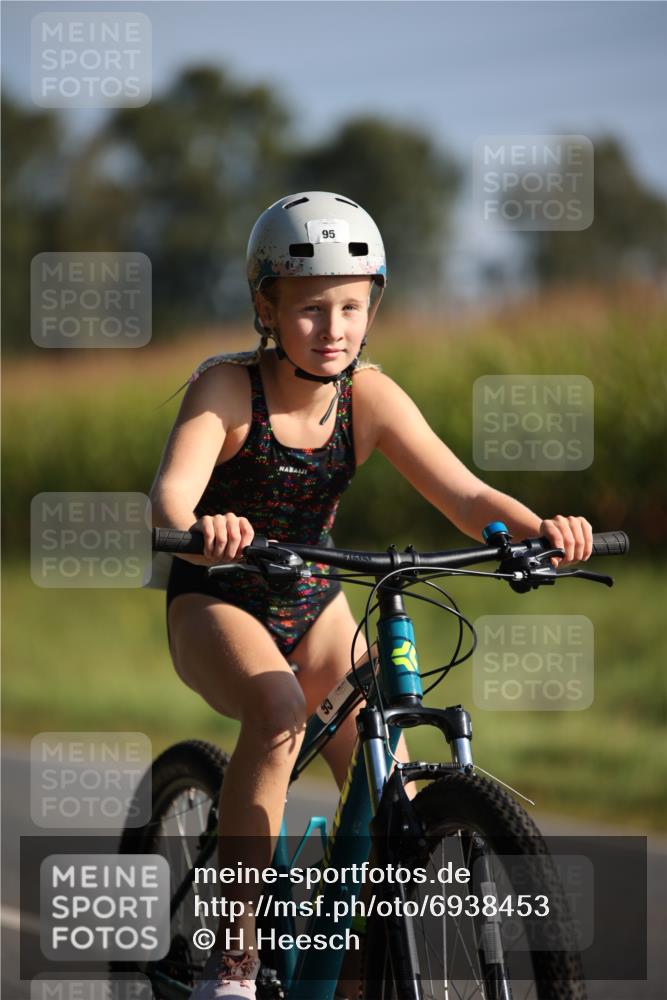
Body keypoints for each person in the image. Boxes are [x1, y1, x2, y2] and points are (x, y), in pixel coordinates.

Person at [149, 191, 593, 1000]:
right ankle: (235, 954)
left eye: (352, 306)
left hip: (315, 599)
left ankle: (353, 973)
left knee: (394, 784)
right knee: (279, 713)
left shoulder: (371, 398)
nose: (335, 328)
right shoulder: (224, 389)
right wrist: (200, 525)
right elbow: (171, 494)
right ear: (265, 307)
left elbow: (465, 496)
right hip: (217, 598)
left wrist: (541, 531)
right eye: (312, 309)